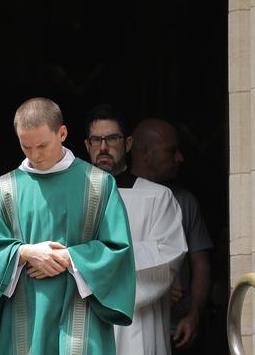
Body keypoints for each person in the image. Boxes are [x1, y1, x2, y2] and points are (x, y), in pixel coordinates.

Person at [0, 97, 136, 354]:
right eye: (26, 146)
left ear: (62, 133)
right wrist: (25, 253)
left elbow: (118, 250)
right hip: (22, 320)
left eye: (42, 145)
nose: (35, 155)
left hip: (81, 319)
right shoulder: (4, 189)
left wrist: (70, 257)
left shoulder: (99, 185)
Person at [84, 104, 187, 355]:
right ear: (87, 146)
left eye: (112, 138)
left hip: (139, 324)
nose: (104, 147)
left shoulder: (159, 198)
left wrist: (93, 260)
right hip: (86, 324)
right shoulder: (72, 199)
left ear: (128, 143)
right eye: (97, 140)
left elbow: (167, 255)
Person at [130, 118, 213, 354]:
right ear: (145, 153)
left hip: (177, 330)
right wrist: (158, 281)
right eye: (171, 151)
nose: (180, 158)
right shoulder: (112, 197)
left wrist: (194, 315)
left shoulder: (185, 201)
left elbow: (201, 264)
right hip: (133, 329)